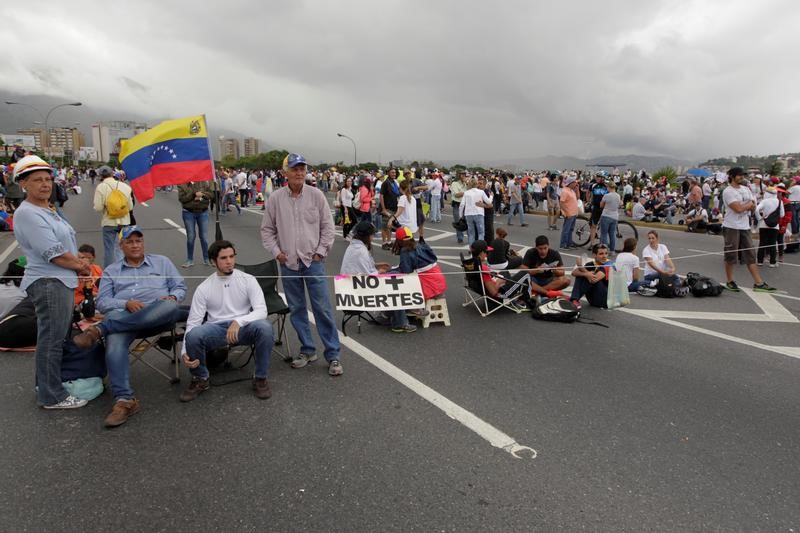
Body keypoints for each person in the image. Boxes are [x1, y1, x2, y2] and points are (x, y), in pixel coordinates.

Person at [72, 226, 187, 427]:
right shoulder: (112, 270)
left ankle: (102, 329)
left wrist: (173, 296)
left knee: (168, 305)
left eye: (138, 241)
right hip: (124, 319)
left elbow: (179, 286)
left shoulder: (162, 262)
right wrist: (125, 303)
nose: (135, 245)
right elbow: (103, 302)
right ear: (121, 245)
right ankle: (124, 400)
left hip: (159, 316)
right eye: (130, 242)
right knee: (114, 339)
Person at [12, 156, 91, 409]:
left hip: (60, 280)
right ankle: (51, 395)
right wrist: (81, 265)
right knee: (51, 340)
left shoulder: (48, 209)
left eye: (47, 179)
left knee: (54, 338)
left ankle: (47, 386)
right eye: (37, 180)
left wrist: (77, 259)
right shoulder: (28, 213)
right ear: (24, 184)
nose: (45, 184)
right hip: (49, 281)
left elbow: (64, 245)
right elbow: (54, 254)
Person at [261, 153, 343, 376]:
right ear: (285, 172)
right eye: (295, 169)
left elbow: (328, 228)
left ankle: (333, 354)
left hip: (313, 262)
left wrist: (320, 252)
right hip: (288, 263)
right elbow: (267, 230)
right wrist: (277, 252)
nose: (299, 173)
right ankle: (308, 349)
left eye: (302, 169)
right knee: (297, 309)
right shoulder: (276, 199)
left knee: (322, 309)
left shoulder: (316, 195)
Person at [180, 240, 274, 401]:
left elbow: (261, 310)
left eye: (232, 256)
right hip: (216, 330)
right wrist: (184, 351)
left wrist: (239, 322)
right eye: (223, 258)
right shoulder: (204, 288)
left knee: (265, 328)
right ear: (213, 261)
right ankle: (200, 378)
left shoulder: (248, 279)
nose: (229, 261)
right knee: (194, 335)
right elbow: (193, 322)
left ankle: (260, 378)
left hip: (243, 328)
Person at [341, 222, 416, 333]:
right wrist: (379, 272)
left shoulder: (353, 246)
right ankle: (400, 323)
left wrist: (377, 266)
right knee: (396, 284)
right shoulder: (361, 251)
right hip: (358, 290)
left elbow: (361, 268)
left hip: (349, 287)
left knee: (391, 275)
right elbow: (368, 276)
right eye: (371, 235)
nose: (372, 238)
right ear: (366, 236)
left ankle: (386, 315)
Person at [722, 167, 775, 292]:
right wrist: (748, 205)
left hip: (745, 226)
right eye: (739, 175)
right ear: (732, 176)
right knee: (731, 255)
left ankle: (758, 283)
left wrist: (747, 205)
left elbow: (753, 205)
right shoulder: (728, 191)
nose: (742, 177)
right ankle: (729, 281)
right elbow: (737, 208)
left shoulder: (746, 189)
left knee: (751, 255)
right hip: (731, 226)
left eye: (743, 175)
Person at [392, 226, 447, 302]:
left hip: (428, 286)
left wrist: (392, 270)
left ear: (399, 241)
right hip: (439, 282)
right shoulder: (421, 245)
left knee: (403, 283)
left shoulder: (405, 252)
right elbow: (434, 258)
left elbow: (406, 270)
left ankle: (415, 309)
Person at [92, 165, 133, 267]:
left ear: (101, 176)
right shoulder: (125, 186)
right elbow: (131, 207)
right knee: (123, 247)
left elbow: (98, 207)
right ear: (112, 173)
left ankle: (110, 273)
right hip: (125, 222)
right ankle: (125, 269)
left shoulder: (101, 187)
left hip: (109, 222)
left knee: (109, 249)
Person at [470, 240, 530, 308]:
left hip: (482, 289)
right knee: (525, 273)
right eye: (486, 252)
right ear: (481, 253)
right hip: (498, 295)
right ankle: (525, 300)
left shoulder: (471, 264)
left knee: (505, 272)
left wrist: (494, 277)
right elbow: (493, 292)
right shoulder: (483, 269)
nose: (487, 254)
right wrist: (498, 281)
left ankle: (512, 290)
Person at [177, 180, 213, 267]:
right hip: (188, 212)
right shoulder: (182, 184)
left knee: (204, 237)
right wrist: (193, 195)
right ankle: (190, 259)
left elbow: (211, 195)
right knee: (191, 237)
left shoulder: (204, 182)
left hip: (203, 212)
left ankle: (206, 259)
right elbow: (182, 199)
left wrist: (203, 195)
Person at [570, 243, 612, 309]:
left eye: (606, 253)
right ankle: (574, 300)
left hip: (605, 300)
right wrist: (585, 273)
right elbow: (574, 272)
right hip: (592, 300)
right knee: (582, 275)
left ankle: (574, 299)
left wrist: (581, 267)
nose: (604, 256)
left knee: (588, 275)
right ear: (594, 255)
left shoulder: (608, 265)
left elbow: (593, 280)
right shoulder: (591, 264)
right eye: (601, 254)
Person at [755, 187, 784, 267]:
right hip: (775, 226)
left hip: (763, 225)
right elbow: (782, 214)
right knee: (772, 243)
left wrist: (759, 218)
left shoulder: (764, 201)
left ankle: (760, 261)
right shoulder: (779, 202)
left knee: (762, 243)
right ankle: (772, 262)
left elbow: (756, 210)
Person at [460, 178, 493, 245]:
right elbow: (489, 202)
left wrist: (461, 215)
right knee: (481, 233)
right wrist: (491, 196)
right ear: (476, 184)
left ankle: (472, 249)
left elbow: (462, 205)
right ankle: (480, 249)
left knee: (471, 233)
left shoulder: (466, 192)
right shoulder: (481, 192)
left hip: (468, 214)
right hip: (479, 213)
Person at [74, 244, 103, 318]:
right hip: (82, 299)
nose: (86, 260)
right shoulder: (77, 271)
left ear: (93, 257)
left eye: (89, 258)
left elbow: (103, 283)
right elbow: (86, 291)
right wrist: (100, 295)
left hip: (96, 296)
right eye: (83, 258)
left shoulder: (97, 268)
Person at [379, 168, 401, 249]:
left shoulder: (394, 183)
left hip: (393, 207)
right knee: (385, 226)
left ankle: (389, 241)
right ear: (388, 173)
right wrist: (384, 209)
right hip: (387, 208)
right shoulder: (385, 183)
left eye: (395, 172)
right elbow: (381, 196)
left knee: (390, 226)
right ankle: (384, 243)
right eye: (392, 172)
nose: (394, 174)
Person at [599, 181, 622, 252]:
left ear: (609, 187)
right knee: (612, 234)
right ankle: (612, 251)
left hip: (606, 215)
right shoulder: (618, 196)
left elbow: (601, 205)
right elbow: (619, 204)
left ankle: (604, 251)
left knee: (604, 234)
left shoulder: (607, 195)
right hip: (614, 216)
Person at [588, 173, 609, 248]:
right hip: (595, 207)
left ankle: (602, 243)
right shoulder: (593, 185)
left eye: (601, 177)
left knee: (603, 226)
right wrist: (588, 201)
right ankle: (592, 243)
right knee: (593, 226)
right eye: (598, 177)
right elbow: (588, 192)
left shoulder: (606, 186)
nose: (599, 178)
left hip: (604, 208)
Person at [559, 175, 580, 249]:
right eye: (575, 182)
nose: (576, 184)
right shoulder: (565, 191)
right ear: (571, 183)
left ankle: (569, 243)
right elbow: (561, 203)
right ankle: (563, 244)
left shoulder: (571, 190)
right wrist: (565, 212)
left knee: (570, 229)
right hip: (569, 214)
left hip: (573, 213)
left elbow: (578, 198)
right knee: (566, 230)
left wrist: (577, 189)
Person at [450, 171, 468, 243]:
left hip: (465, 205)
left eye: (464, 175)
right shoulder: (454, 184)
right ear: (459, 175)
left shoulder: (466, 184)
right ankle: (460, 237)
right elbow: (457, 194)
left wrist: (466, 184)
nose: (464, 176)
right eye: (462, 175)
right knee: (458, 222)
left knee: (467, 221)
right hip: (457, 204)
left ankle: (470, 237)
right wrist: (467, 193)